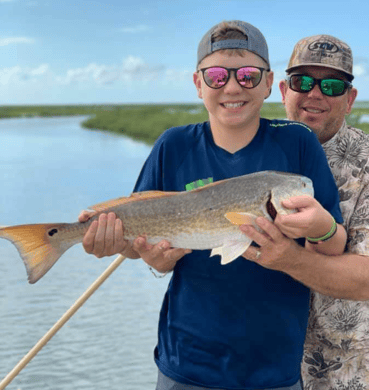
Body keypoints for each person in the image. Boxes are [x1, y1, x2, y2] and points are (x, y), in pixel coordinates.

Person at [79, 22, 347, 390]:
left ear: (269, 83)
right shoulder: (172, 145)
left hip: (274, 368)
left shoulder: (298, 141)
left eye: (249, 76)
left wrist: (321, 227)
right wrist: (144, 255)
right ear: (198, 84)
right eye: (217, 76)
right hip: (186, 361)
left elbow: (335, 243)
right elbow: (136, 240)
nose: (233, 86)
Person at [240, 34, 369, 390]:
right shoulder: (252, 153)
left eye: (333, 85)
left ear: (350, 99)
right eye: (302, 81)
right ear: (283, 90)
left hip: (356, 373)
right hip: (264, 366)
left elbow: (366, 280)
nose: (315, 93)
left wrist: (287, 257)